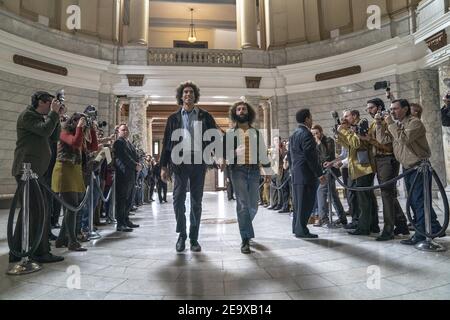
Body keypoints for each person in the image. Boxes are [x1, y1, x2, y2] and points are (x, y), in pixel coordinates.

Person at [160, 81, 219, 252]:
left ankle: (194, 238)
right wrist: (163, 166)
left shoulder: (205, 116)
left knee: (196, 201)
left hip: (198, 162)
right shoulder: (173, 118)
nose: (188, 94)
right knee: (178, 199)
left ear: (195, 96)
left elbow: (215, 137)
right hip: (179, 163)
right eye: (185, 92)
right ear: (181, 96)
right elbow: (165, 143)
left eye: (191, 92)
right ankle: (181, 235)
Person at [10, 91, 64, 263]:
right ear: (41, 102)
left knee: (30, 211)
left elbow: (54, 136)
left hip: (36, 172)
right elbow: (44, 131)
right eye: (50, 103)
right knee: (38, 211)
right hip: (27, 171)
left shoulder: (41, 117)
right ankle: (39, 253)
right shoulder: (28, 115)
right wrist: (54, 115)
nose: (52, 106)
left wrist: (57, 117)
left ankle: (16, 250)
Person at [385, 99, 443, 245]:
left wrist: (390, 123)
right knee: (414, 201)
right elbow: (385, 140)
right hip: (407, 167)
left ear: (405, 109)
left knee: (419, 202)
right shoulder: (398, 124)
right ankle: (432, 227)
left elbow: (403, 139)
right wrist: (381, 124)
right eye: (391, 109)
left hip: (419, 167)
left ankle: (421, 235)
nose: (392, 112)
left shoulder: (415, 123)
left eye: (395, 109)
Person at [221, 101, 271, 254]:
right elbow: (223, 155)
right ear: (235, 113)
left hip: (254, 171)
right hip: (238, 171)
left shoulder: (256, 133)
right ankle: (245, 239)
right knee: (242, 205)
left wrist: (267, 171)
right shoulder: (230, 134)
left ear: (248, 112)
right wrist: (235, 153)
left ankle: (246, 228)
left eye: (244, 109)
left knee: (253, 206)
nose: (241, 111)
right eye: (238, 109)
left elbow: (263, 152)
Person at [52, 113, 98, 251]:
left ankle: (61, 239)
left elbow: (93, 147)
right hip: (64, 170)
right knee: (71, 207)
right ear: (74, 121)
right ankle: (72, 242)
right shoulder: (63, 132)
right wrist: (79, 127)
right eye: (80, 121)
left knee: (72, 207)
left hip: (75, 170)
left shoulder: (80, 134)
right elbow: (75, 143)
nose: (83, 124)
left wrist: (93, 130)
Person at [365, 98, 409, 240]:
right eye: (367, 108)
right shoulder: (374, 123)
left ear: (378, 107)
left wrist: (370, 139)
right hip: (379, 160)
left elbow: (387, 145)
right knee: (389, 193)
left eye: (371, 108)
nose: (368, 111)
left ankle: (388, 229)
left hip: (387, 159)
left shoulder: (386, 122)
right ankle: (401, 223)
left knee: (386, 194)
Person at [336, 110, 379, 236]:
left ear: (354, 116)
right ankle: (372, 225)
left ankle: (364, 227)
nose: (344, 119)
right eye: (343, 117)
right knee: (366, 198)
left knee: (364, 200)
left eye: (346, 116)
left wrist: (344, 131)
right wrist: (340, 135)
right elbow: (349, 146)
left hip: (363, 168)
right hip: (358, 168)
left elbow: (356, 143)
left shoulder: (362, 124)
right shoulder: (353, 128)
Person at [288, 109, 326, 239]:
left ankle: (296, 228)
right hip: (306, 175)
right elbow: (311, 157)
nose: (312, 120)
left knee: (298, 204)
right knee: (306, 204)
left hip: (296, 174)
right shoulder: (306, 134)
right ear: (306, 119)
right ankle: (302, 230)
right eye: (311, 117)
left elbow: (290, 156)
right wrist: (319, 174)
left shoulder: (294, 134)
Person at [311, 124, 347, 226]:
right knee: (333, 195)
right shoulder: (313, 143)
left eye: (317, 133)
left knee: (320, 192)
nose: (315, 136)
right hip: (321, 171)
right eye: (313, 134)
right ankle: (342, 218)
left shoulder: (328, 140)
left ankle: (323, 218)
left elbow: (326, 156)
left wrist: (319, 143)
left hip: (330, 171)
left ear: (321, 132)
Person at [113, 124, 141, 232]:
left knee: (129, 199)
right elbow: (124, 157)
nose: (125, 132)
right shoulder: (119, 142)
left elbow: (134, 155)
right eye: (123, 130)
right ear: (118, 131)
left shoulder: (128, 143)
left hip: (131, 174)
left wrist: (138, 164)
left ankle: (126, 219)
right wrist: (135, 165)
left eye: (126, 130)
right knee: (122, 199)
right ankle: (120, 223)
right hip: (123, 174)